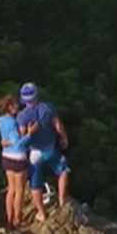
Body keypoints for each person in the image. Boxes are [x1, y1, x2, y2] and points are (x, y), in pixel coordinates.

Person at [16, 82, 70, 221]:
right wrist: (63, 138)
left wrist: (29, 134)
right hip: (50, 149)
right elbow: (57, 125)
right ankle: (62, 201)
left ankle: (41, 212)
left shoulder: (22, 116)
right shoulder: (48, 107)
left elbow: (23, 137)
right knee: (63, 171)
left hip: (34, 153)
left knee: (35, 182)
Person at [0, 95, 36, 228]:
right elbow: (18, 144)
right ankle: (17, 219)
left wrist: (5, 142)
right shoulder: (12, 122)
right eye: (15, 105)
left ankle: (9, 218)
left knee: (11, 189)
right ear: (10, 107)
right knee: (19, 190)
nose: (18, 107)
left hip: (6, 156)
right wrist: (30, 134)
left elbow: (6, 140)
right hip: (17, 158)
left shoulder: (1, 120)